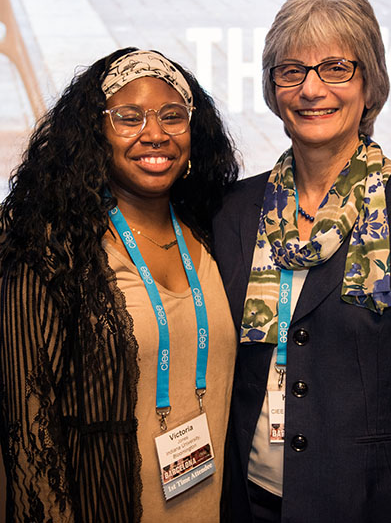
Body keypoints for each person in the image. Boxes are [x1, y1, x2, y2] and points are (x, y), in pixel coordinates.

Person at [213, 0, 391, 523]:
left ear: (369, 83)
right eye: (291, 71)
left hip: (367, 508)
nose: (311, 89)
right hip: (249, 505)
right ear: (272, 88)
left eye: (335, 68)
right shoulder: (235, 210)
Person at [0, 47, 239, 522]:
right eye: (129, 117)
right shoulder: (49, 251)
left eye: (173, 116)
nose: (155, 134)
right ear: (96, 134)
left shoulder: (211, 231)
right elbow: (28, 429)